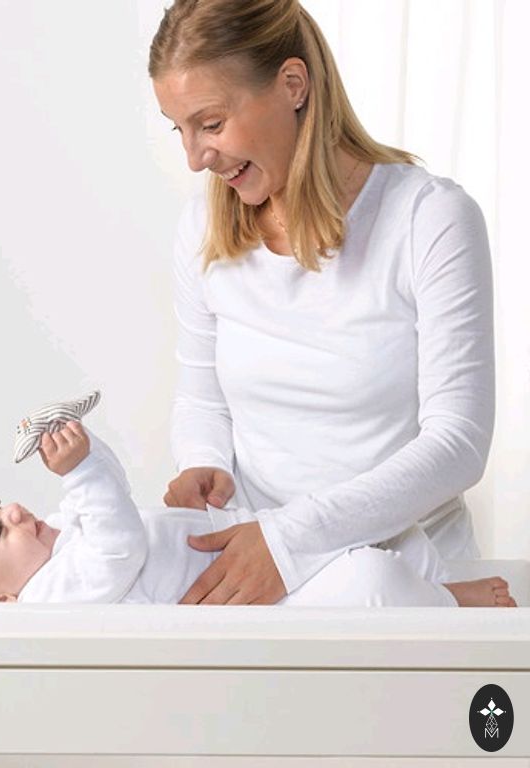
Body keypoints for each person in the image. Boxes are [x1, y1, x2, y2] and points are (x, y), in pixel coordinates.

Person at [149, 0, 498, 605]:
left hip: (413, 582)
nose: (195, 157)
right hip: (262, 577)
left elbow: (458, 444)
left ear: (293, 85)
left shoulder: (429, 219)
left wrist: (291, 540)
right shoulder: (203, 226)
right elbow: (202, 397)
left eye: (211, 123)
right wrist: (205, 463)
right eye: (178, 128)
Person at [0, 420, 515, 607]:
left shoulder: (58, 546)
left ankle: (434, 578)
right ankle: (449, 603)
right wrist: (80, 471)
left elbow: (106, 504)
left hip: (251, 542)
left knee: (367, 531)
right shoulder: (54, 597)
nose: (16, 510)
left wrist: (86, 455)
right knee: (368, 584)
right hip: (261, 601)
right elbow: (118, 544)